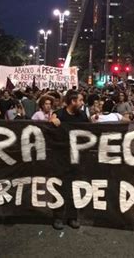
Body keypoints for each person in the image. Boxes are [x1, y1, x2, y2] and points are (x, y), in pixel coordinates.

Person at [51, 90, 88, 230]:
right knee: (59, 187)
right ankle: (58, 217)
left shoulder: (83, 115)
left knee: (75, 188)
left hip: (77, 159)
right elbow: (49, 126)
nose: (82, 103)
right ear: (73, 101)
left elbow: (89, 132)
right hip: (61, 158)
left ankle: (73, 217)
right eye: (80, 100)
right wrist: (52, 121)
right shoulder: (59, 114)